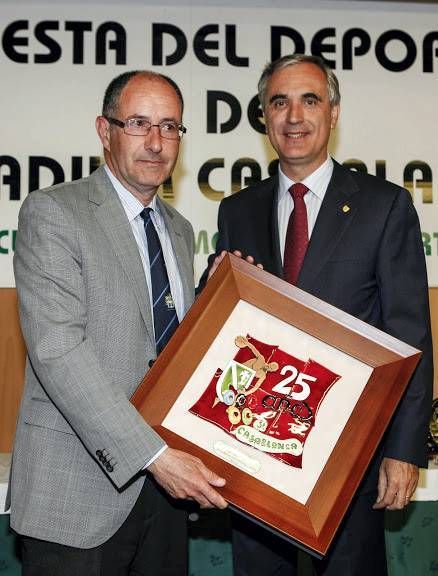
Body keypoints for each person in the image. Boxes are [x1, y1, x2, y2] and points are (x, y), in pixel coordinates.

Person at [201, 54, 433, 576]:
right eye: (278, 102)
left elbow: (409, 332)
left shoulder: (384, 205)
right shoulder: (236, 211)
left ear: (333, 111)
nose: (295, 116)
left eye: (310, 100)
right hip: (257, 446)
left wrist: (404, 449)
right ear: (264, 116)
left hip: (350, 454)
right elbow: (224, 328)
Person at [8, 70, 227, 576]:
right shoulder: (54, 212)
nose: (156, 143)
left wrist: (213, 298)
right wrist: (154, 455)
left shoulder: (178, 229)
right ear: (105, 131)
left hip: (166, 499)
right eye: (138, 124)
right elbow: (59, 350)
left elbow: (159, 340)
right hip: (77, 493)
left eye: (170, 127)